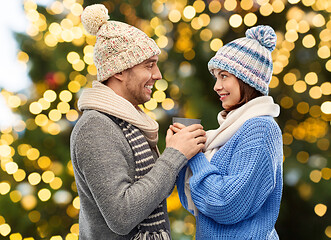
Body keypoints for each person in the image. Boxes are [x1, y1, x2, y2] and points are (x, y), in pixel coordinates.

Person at [70, 4, 206, 240]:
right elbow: (122, 215)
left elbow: (148, 193)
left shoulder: (131, 122)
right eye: (149, 65)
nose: (158, 75)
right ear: (119, 71)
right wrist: (173, 156)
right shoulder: (95, 127)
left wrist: (177, 153)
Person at [173, 25, 283, 239]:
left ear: (247, 79)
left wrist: (195, 155)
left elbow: (227, 203)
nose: (216, 85)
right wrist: (178, 151)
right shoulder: (228, 130)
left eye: (224, 76)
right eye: (216, 76)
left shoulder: (260, 129)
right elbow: (194, 202)